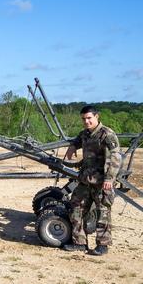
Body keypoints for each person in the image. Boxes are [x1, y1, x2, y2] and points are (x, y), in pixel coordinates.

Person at [63, 105, 121, 256]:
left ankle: (103, 245)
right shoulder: (85, 134)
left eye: (89, 118)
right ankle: (80, 243)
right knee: (76, 208)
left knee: (103, 213)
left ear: (97, 117)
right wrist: (72, 147)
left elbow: (114, 158)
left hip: (102, 182)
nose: (86, 121)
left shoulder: (106, 134)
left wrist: (109, 178)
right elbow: (77, 140)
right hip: (86, 181)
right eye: (84, 119)